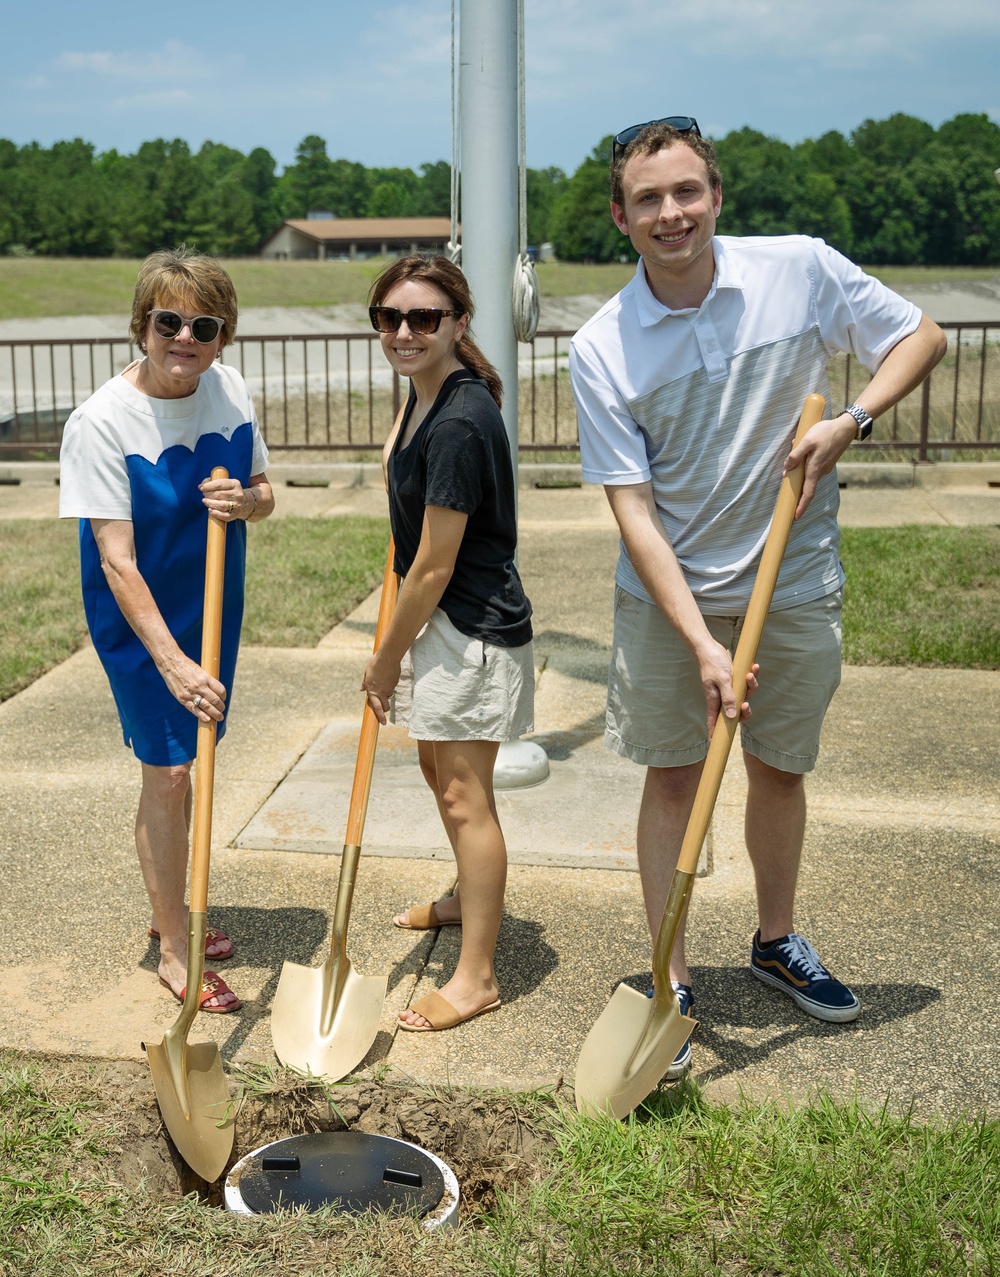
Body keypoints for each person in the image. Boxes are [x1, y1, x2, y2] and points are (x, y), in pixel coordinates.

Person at [569, 117, 946, 1078]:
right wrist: (700, 641)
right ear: (621, 216)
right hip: (672, 599)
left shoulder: (799, 270)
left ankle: (776, 941)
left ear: (716, 196)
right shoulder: (604, 346)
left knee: (780, 767)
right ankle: (671, 980)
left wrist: (851, 421)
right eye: (648, 199)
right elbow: (636, 515)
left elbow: (921, 336)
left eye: (686, 191)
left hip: (794, 581)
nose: (671, 213)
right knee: (673, 777)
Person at [59, 246, 274, 1013]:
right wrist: (175, 663)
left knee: (198, 759)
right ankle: (174, 947)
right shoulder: (100, 422)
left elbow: (263, 491)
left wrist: (247, 506)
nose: (185, 337)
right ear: (141, 326)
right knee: (170, 769)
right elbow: (116, 561)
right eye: (169, 321)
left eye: (204, 325)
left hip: (213, 597)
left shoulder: (234, 390)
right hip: (140, 617)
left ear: (225, 336)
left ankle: (173, 907)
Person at [361, 256, 534, 1033]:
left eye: (424, 318)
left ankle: (478, 978)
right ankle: (468, 897)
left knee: (466, 797)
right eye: (391, 317)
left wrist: (385, 656)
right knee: (440, 771)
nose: (405, 331)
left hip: (471, 631)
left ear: (458, 323)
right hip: (444, 624)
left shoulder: (460, 418)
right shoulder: (424, 393)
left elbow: (433, 564)